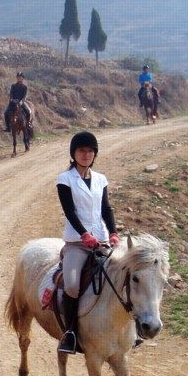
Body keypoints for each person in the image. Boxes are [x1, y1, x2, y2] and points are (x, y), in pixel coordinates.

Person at [56, 131, 120, 354]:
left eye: (90, 151)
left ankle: (129, 331)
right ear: (73, 154)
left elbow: (106, 208)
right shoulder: (65, 179)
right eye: (82, 151)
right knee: (72, 285)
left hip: (101, 241)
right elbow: (70, 211)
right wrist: (83, 234)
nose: (86, 154)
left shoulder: (101, 179)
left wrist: (113, 233)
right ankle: (70, 333)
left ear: (95, 154)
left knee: (125, 277)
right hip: (77, 244)